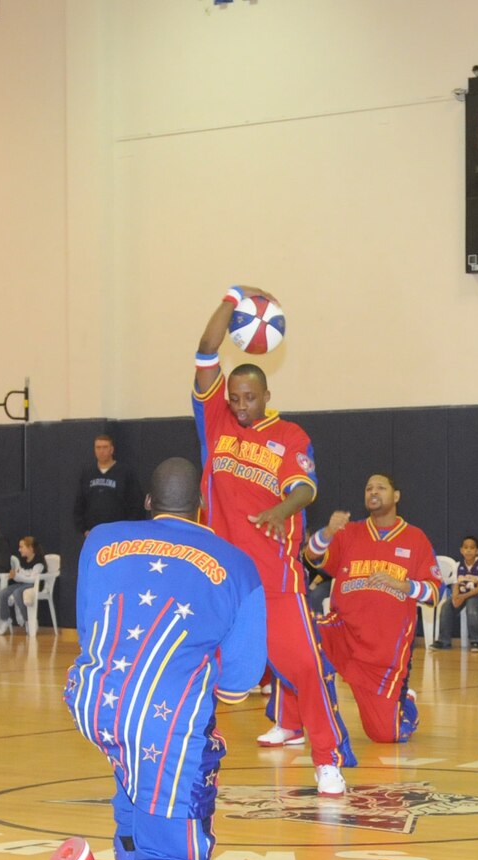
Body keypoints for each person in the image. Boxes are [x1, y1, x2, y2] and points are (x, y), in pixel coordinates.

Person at [2, 458, 267, 860]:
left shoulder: (101, 540)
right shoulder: (237, 564)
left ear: (147, 503)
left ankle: (135, 855)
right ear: (201, 507)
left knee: (135, 759)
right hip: (160, 716)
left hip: (94, 699)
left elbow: (89, 632)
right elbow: (237, 685)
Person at [192, 284, 354, 796]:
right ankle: (189, 756)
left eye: (250, 398)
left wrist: (279, 509)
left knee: (305, 668)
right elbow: (205, 349)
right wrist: (231, 297)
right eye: (234, 397)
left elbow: (305, 488)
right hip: (222, 580)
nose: (240, 405)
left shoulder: (290, 437)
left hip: (275, 582)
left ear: (267, 396)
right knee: (196, 673)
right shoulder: (214, 421)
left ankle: (327, 759)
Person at [288, 473, 439, 744]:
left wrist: (405, 586)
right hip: (343, 631)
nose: (373, 492)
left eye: (381, 487)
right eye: (368, 487)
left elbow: (436, 592)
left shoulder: (415, 539)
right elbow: (311, 555)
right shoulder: (351, 532)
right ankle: (291, 724)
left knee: (384, 735)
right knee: (300, 637)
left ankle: (404, 703)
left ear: (396, 496)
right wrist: (327, 532)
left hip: (384, 652)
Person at [72, 433, 145, 538]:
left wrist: (129, 527)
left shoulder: (125, 472)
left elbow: (136, 502)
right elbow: (79, 503)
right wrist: (84, 529)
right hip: (94, 532)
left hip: (119, 532)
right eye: (98, 447)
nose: (101, 451)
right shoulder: (88, 473)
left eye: (105, 447)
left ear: (112, 449)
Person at [431, 536, 478, 651]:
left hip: (475, 596)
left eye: (472, 548)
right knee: (446, 606)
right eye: (465, 548)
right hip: (461, 595)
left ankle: (476, 641)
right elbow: (455, 584)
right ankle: (444, 641)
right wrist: (455, 596)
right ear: (461, 550)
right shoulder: (458, 565)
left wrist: (463, 596)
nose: (468, 550)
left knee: (471, 608)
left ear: (477, 551)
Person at [0, 534, 48, 631]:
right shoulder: (22, 560)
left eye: (21, 547)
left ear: (30, 548)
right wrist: (13, 575)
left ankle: (28, 619)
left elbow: (33, 580)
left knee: (17, 592)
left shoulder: (38, 562)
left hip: (35, 586)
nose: (19, 550)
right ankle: (5, 618)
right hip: (23, 584)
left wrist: (17, 576)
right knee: (3, 593)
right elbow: (20, 576)